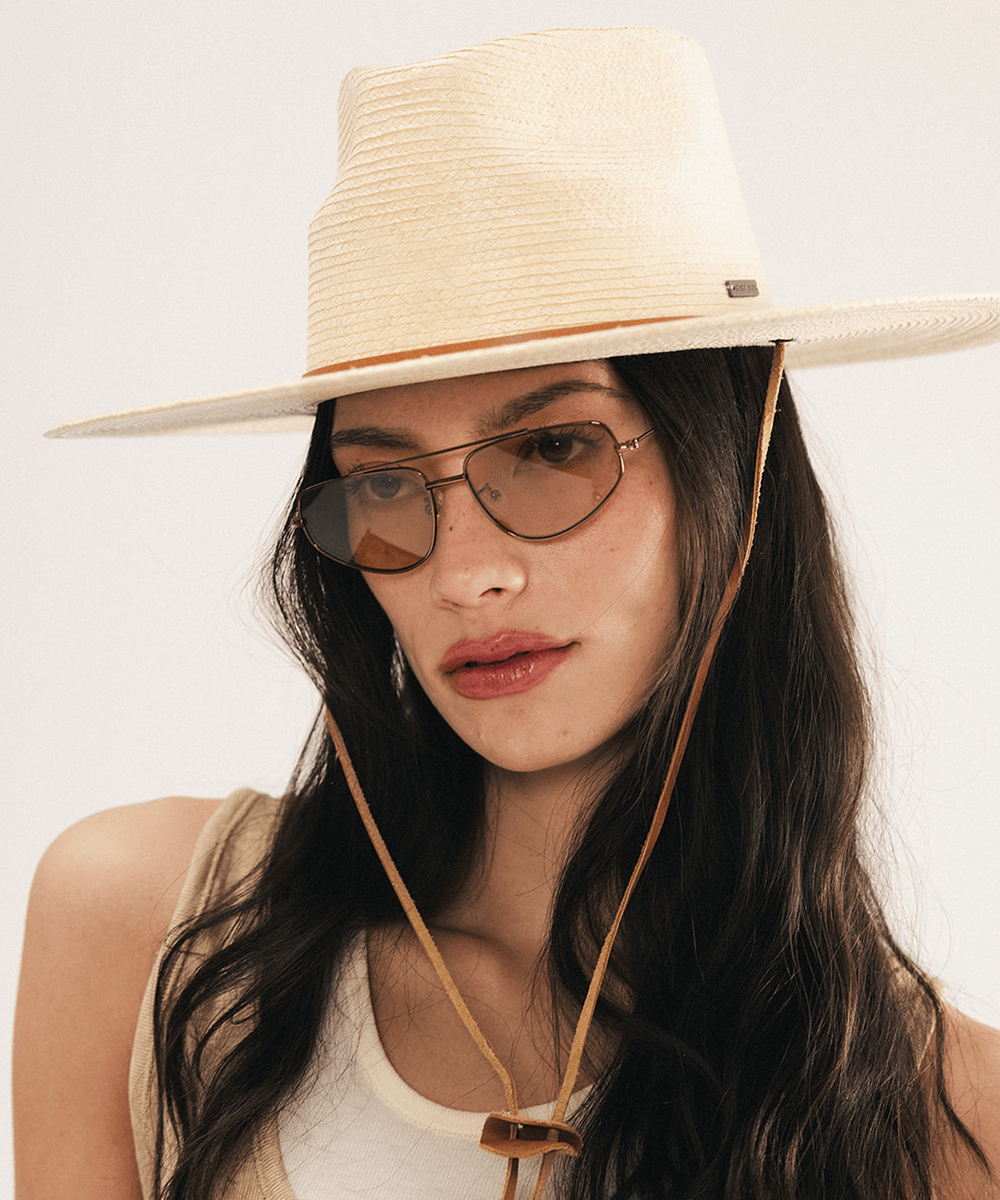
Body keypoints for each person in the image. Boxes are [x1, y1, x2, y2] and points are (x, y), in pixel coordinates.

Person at [13, 26, 1000, 1200]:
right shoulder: (151, 927)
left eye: (551, 449)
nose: (463, 575)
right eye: (384, 483)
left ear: (730, 473)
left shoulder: (947, 1113)